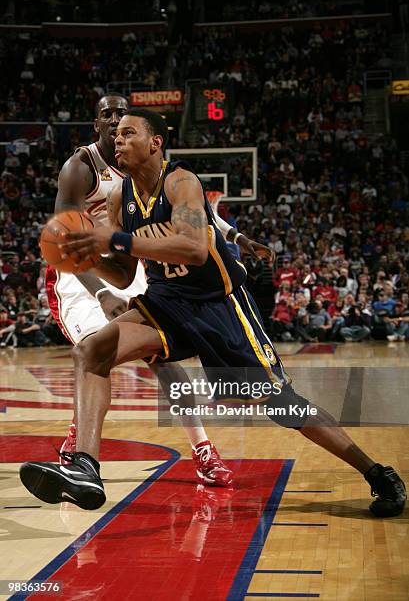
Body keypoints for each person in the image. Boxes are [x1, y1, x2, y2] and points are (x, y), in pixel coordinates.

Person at [20, 108, 406, 518]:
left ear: (155, 142)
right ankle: (85, 469)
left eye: (128, 133)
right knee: (92, 351)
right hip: (167, 302)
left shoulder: (181, 182)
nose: (117, 139)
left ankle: (376, 471)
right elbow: (123, 273)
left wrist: (114, 237)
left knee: (282, 405)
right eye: (115, 136)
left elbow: (194, 248)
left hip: (220, 307)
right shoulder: (120, 198)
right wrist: (84, 253)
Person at [45, 93, 267, 486]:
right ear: (95, 124)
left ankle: (202, 449)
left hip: (135, 263)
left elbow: (194, 208)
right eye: (106, 115)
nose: (115, 120)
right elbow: (64, 240)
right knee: (96, 350)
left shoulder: (143, 161)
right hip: (82, 275)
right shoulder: (79, 168)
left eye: (121, 114)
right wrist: (101, 293)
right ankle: (80, 449)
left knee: (162, 358)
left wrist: (236, 235)